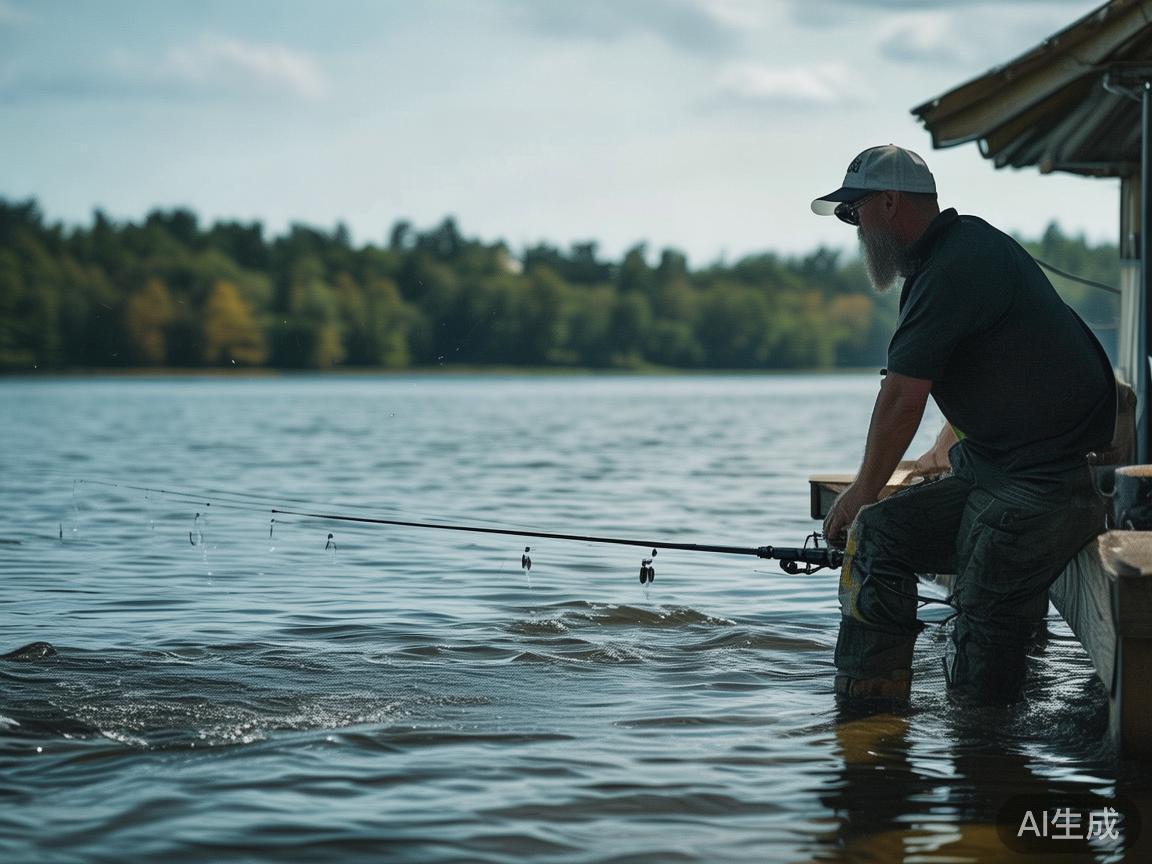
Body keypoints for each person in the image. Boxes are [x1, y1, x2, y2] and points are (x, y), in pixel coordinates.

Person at [812, 144, 1116, 704]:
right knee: (879, 534)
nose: (852, 226)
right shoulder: (949, 256)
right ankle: (868, 709)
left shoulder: (957, 265)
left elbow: (903, 398)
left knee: (981, 619)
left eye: (854, 212)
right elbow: (925, 386)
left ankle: (982, 753)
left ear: (888, 203)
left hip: (1047, 485)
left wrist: (861, 490)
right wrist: (872, 502)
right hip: (994, 470)